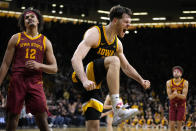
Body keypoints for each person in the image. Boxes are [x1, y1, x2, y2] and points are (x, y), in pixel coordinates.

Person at [71, 5, 150, 131]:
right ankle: (117, 109)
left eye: (130, 22)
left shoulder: (117, 44)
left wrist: (141, 80)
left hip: (94, 86)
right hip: (82, 76)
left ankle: (116, 109)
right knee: (114, 60)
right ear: (114, 20)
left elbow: (126, 67)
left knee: (93, 127)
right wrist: (84, 80)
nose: (129, 25)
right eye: (126, 22)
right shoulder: (95, 33)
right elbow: (75, 58)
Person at [0, 7, 58, 131]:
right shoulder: (16, 38)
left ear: (38, 21)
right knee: (12, 117)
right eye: (26, 18)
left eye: (32, 16)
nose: (29, 18)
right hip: (17, 80)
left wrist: (39, 65)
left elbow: (54, 68)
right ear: (24, 23)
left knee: (42, 118)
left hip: (35, 81)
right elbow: (5, 64)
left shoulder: (45, 41)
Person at [166, 66, 188, 131]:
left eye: (177, 72)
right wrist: (175, 95)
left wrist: (176, 94)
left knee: (179, 126)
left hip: (181, 106)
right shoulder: (169, 82)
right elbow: (170, 97)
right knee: (171, 125)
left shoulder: (185, 82)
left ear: (181, 74)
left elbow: (184, 97)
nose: (175, 73)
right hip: (172, 105)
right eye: (174, 72)